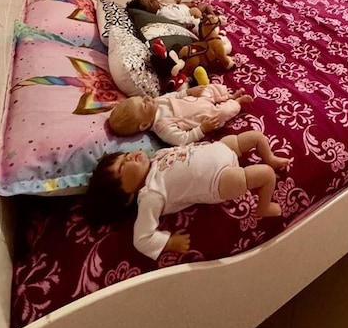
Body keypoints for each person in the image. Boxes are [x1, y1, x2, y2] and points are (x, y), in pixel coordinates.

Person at [84, 131, 289, 259]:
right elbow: (142, 238)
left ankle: (270, 157)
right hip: (218, 179)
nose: (128, 157)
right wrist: (168, 242)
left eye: (123, 156)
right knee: (265, 175)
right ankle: (264, 207)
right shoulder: (150, 194)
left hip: (221, 149)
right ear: (126, 196)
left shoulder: (156, 157)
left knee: (255, 136)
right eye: (122, 168)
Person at [108, 82, 253, 146]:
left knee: (208, 88)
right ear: (144, 124)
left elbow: (174, 96)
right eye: (144, 104)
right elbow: (183, 139)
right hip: (205, 115)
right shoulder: (162, 127)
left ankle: (229, 96)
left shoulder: (157, 101)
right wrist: (202, 129)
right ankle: (237, 102)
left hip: (198, 99)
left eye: (142, 98)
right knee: (222, 113)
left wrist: (188, 92)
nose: (147, 98)